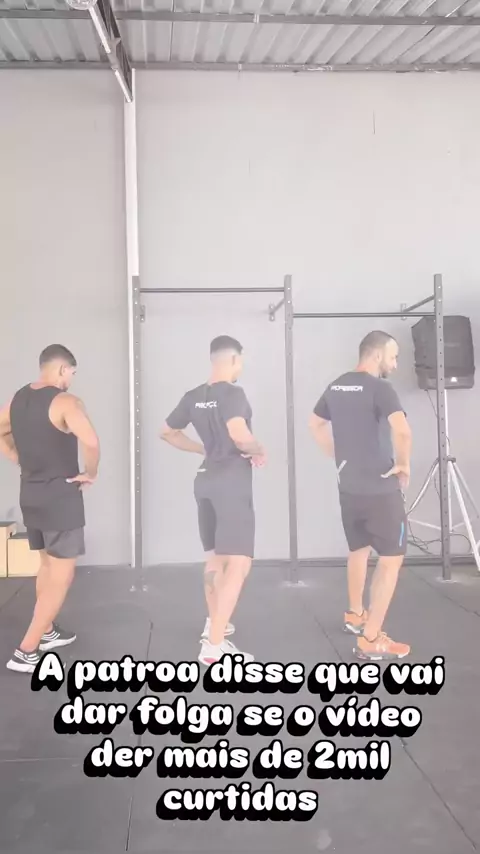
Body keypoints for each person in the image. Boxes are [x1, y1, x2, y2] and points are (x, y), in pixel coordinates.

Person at [160, 335, 266, 666]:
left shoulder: (194, 396)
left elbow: (167, 431)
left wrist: (202, 448)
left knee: (215, 559)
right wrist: (258, 449)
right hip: (230, 483)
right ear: (234, 360)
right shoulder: (233, 393)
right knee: (239, 563)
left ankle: (214, 623)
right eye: (240, 361)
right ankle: (214, 647)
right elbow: (238, 432)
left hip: (205, 480)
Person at [309, 331, 412, 661]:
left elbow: (315, 424)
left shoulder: (336, 385)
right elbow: (402, 430)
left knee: (358, 548)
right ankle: (370, 638)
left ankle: (355, 614)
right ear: (377, 355)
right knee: (391, 559)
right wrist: (404, 464)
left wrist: (337, 455)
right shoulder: (381, 388)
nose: (395, 364)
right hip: (380, 489)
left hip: (349, 487)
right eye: (393, 357)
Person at [0, 345, 100, 673]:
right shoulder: (66, 401)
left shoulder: (18, 399)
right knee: (62, 575)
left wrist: (18, 458)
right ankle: (26, 651)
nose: (71, 379)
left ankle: (46, 631)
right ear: (61, 369)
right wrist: (91, 472)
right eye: (72, 372)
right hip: (60, 498)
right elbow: (91, 441)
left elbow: (0, 430)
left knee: (46, 565)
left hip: (31, 493)